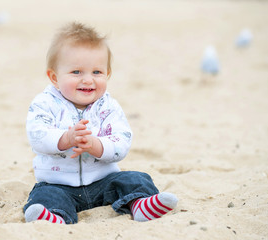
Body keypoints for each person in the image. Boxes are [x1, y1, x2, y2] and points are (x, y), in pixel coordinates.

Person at [23, 22, 178, 224]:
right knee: (44, 197)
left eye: (97, 72)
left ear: (107, 74)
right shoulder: (44, 104)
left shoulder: (109, 107)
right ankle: (55, 217)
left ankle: (140, 205)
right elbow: (37, 135)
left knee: (136, 179)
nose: (88, 80)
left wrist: (97, 145)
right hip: (58, 183)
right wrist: (65, 138)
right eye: (76, 72)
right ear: (54, 77)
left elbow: (122, 141)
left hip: (104, 181)